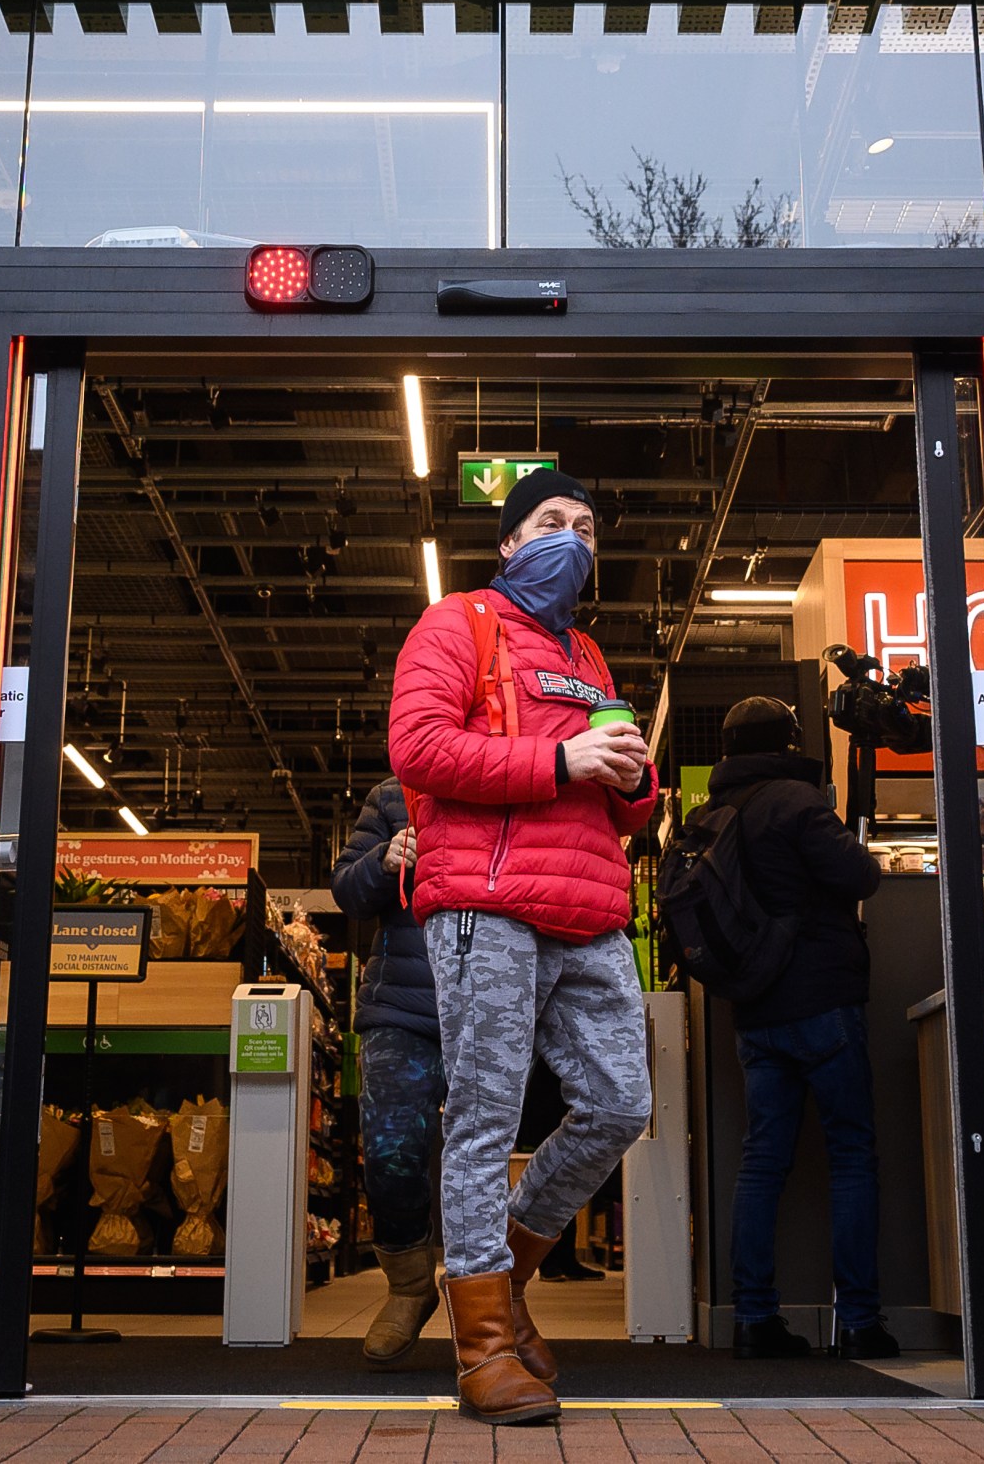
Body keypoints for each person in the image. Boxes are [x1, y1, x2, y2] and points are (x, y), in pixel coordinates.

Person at [388, 468, 657, 1424]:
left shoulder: (588, 655)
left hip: (588, 905)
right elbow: (420, 747)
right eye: (551, 521)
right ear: (508, 542)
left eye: (586, 526)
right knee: (485, 1118)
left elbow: (623, 806)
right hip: (486, 899)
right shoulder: (455, 624)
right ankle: (483, 1351)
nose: (572, 538)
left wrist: (633, 779)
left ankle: (497, 1279)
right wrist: (560, 758)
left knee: (620, 1105)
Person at [713, 694, 896, 1362]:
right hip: (822, 999)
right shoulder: (795, 800)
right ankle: (860, 1322)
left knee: (762, 1160)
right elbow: (861, 876)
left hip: (755, 1010)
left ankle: (753, 1319)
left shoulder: (713, 812)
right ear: (788, 742)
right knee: (851, 1154)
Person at [331, 777, 444, 1364]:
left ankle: (496, 1296)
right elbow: (347, 891)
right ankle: (409, 1284)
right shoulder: (393, 796)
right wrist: (383, 859)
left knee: (485, 1158)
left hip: (495, 1001)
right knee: (389, 1151)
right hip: (402, 1005)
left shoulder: (521, 774)